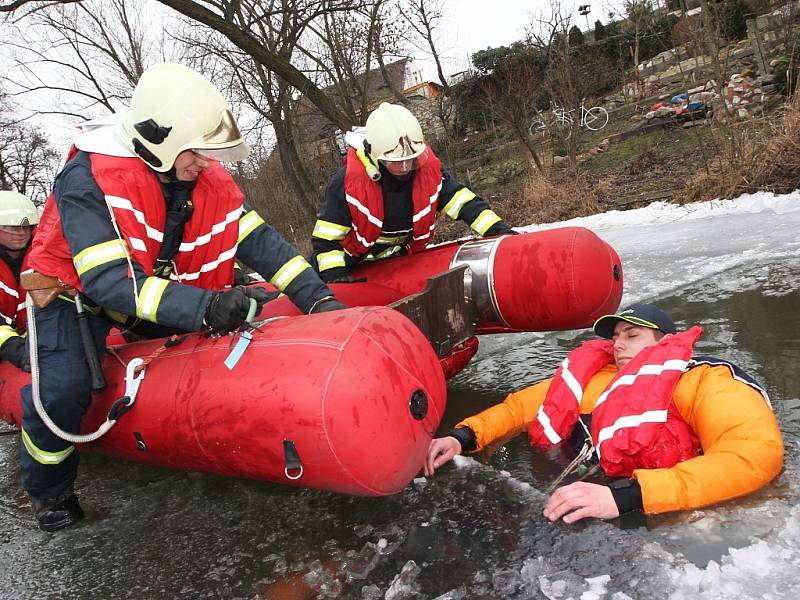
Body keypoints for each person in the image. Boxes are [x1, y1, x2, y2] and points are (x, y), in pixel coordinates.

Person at [19, 63, 345, 532]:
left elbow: (264, 245)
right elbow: (110, 281)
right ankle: (49, 493)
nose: (207, 163)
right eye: (198, 151)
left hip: (151, 289)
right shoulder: (86, 178)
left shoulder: (205, 181)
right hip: (75, 295)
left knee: (219, 351)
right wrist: (203, 307)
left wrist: (319, 301)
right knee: (63, 389)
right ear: (161, 141)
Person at [425, 303, 783, 522]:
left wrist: (627, 498)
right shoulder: (595, 378)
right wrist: (463, 437)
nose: (618, 344)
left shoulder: (704, 380)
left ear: (665, 341)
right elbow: (519, 408)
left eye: (632, 335)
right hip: (584, 492)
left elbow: (752, 454)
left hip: (662, 507)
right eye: (615, 337)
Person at [310, 102, 515, 282]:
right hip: (348, 265)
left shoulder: (428, 173)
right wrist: (335, 277)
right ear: (376, 157)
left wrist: (498, 230)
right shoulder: (347, 184)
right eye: (397, 162)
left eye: (412, 160)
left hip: (397, 263)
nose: (405, 167)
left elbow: (463, 202)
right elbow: (326, 239)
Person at [0, 191, 38, 372]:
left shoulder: (42, 258)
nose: (22, 233)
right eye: (12, 227)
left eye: (27, 226)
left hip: (34, 343)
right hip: (11, 350)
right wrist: (17, 350)